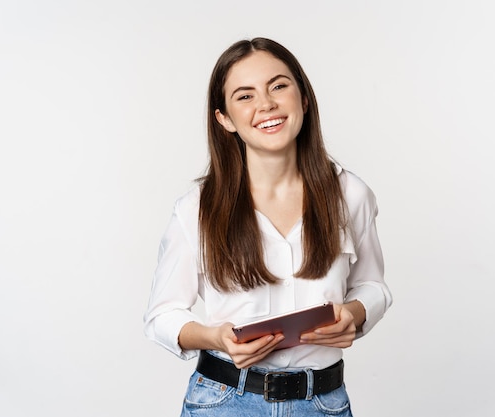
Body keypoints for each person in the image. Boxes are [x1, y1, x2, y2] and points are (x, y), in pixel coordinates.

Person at [144, 37, 392, 417]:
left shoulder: (351, 194)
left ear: (303, 99)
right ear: (224, 118)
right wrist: (215, 338)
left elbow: (372, 285)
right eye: (244, 96)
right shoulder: (196, 208)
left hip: (322, 403)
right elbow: (162, 316)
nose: (266, 104)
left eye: (278, 86)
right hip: (224, 402)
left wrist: (356, 314)